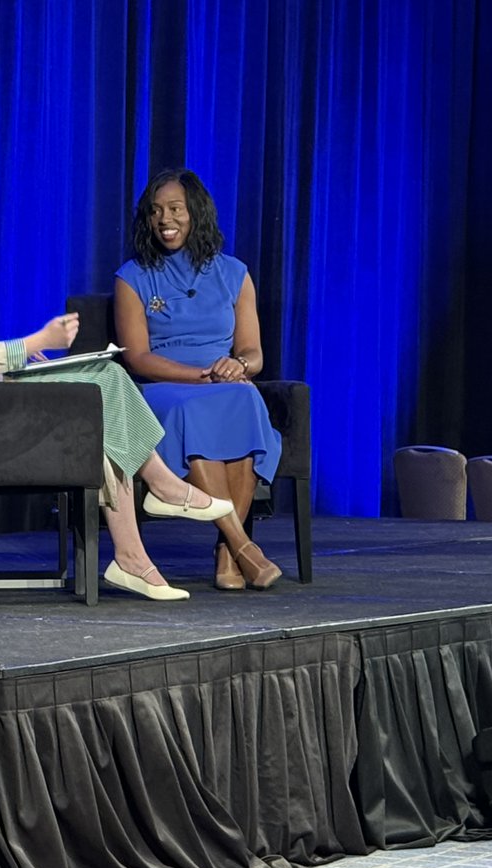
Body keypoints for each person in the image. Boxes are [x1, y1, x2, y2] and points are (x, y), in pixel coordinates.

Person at [0, 159, 234, 601]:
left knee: (100, 402)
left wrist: (17, 364)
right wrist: (35, 340)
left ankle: (136, 549)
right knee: (104, 382)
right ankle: (160, 492)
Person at [114, 168, 283, 590]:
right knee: (198, 409)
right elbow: (136, 358)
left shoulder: (234, 273)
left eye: (175, 210)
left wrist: (237, 367)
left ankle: (228, 549)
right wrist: (201, 376)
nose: (164, 220)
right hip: (165, 387)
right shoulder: (132, 277)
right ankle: (242, 547)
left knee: (243, 399)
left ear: (197, 214)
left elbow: (253, 352)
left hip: (223, 384)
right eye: (155, 211)